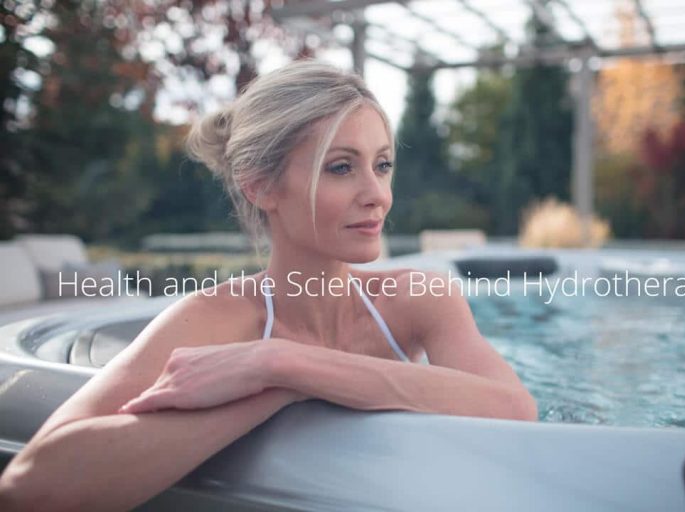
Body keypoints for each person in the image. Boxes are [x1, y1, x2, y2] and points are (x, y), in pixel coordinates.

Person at [0, 59, 537, 511]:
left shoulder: (419, 298)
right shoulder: (215, 318)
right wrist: (280, 388)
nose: (377, 194)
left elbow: (516, 410)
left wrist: (279, 363)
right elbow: (29, 485)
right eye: (341, 168)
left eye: (382, 165)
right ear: (260, 187)